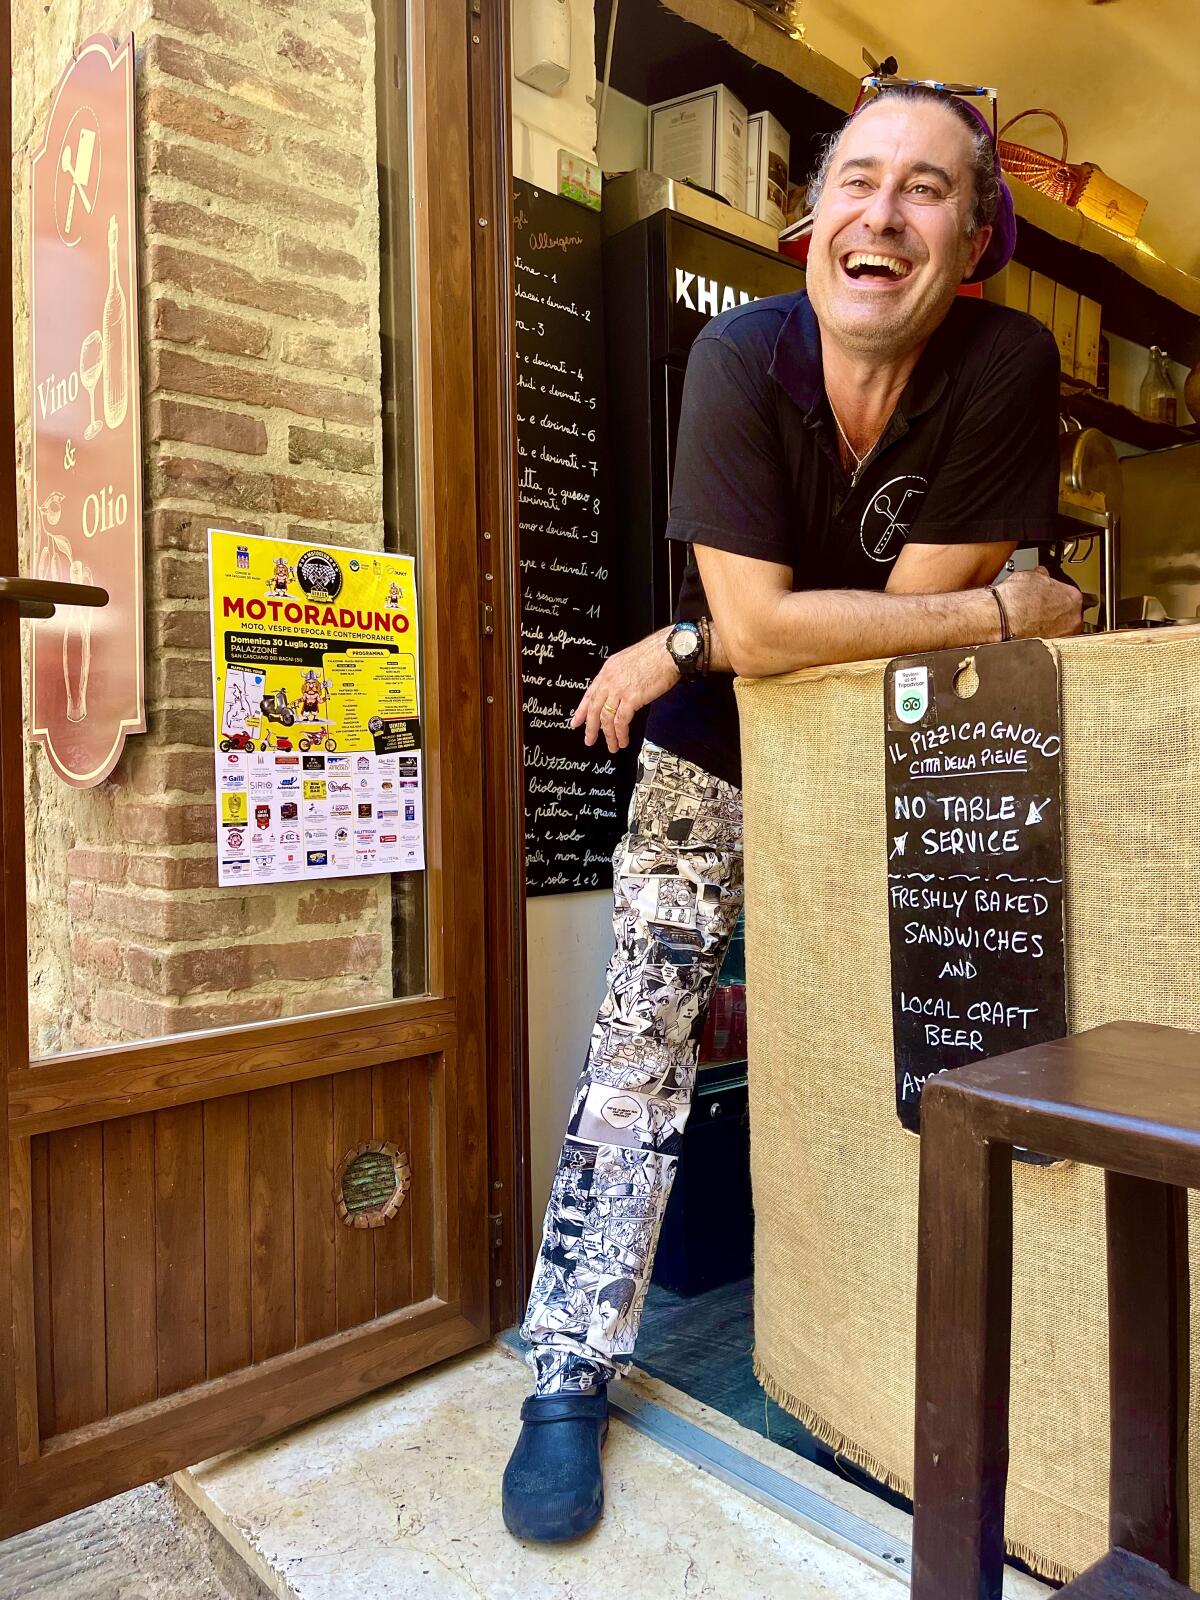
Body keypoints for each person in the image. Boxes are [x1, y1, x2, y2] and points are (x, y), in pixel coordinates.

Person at [502, 78, 1083, 1544]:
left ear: (973, 237)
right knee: (638, 1050)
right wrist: (990, 609)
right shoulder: (737, 354)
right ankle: (568, 1369)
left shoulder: (1009, 362)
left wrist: (725, 634)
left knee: (894, 1054)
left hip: (897, 753)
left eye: (928, 188)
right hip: (715, 753)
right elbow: (784, 636)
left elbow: (889, 621)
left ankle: (901, 1372)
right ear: (809, 215)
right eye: (856, 180)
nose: (882, 212)